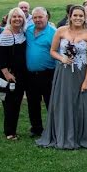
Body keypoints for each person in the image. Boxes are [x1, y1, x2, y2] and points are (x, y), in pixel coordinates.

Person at [37, 5, 87, 150]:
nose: (78, 18)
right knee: (64, 102)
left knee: (80, 103)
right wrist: (61, 58)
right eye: (75, 15)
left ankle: (80, 135)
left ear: (84, 17)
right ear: (70, 16)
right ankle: (62, 133)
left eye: (80, 16)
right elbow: (52, 51)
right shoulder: (60, 31)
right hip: (63, 73)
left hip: (82, 73)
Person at [0, 7, 28, 140]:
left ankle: (12, 129)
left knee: (17, 102)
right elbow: (0, 57)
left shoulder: (21, 33)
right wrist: (7, 74)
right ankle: (9, 132)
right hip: (9, 75)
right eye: (14, 17)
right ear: (9, 19)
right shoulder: (7, 34)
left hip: (20, 74)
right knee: (10, 103)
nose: (17, 19)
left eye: (19, 17)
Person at [25, 7, 56, 137]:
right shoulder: (28, 30)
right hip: (31, 75)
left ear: (47, 17)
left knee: (51, 102)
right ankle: (36, 128)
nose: (37, 20)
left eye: (40, 17)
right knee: (33, 103)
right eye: (35, 17)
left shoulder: (53, 32)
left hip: (48, 74)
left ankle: (53, 129)